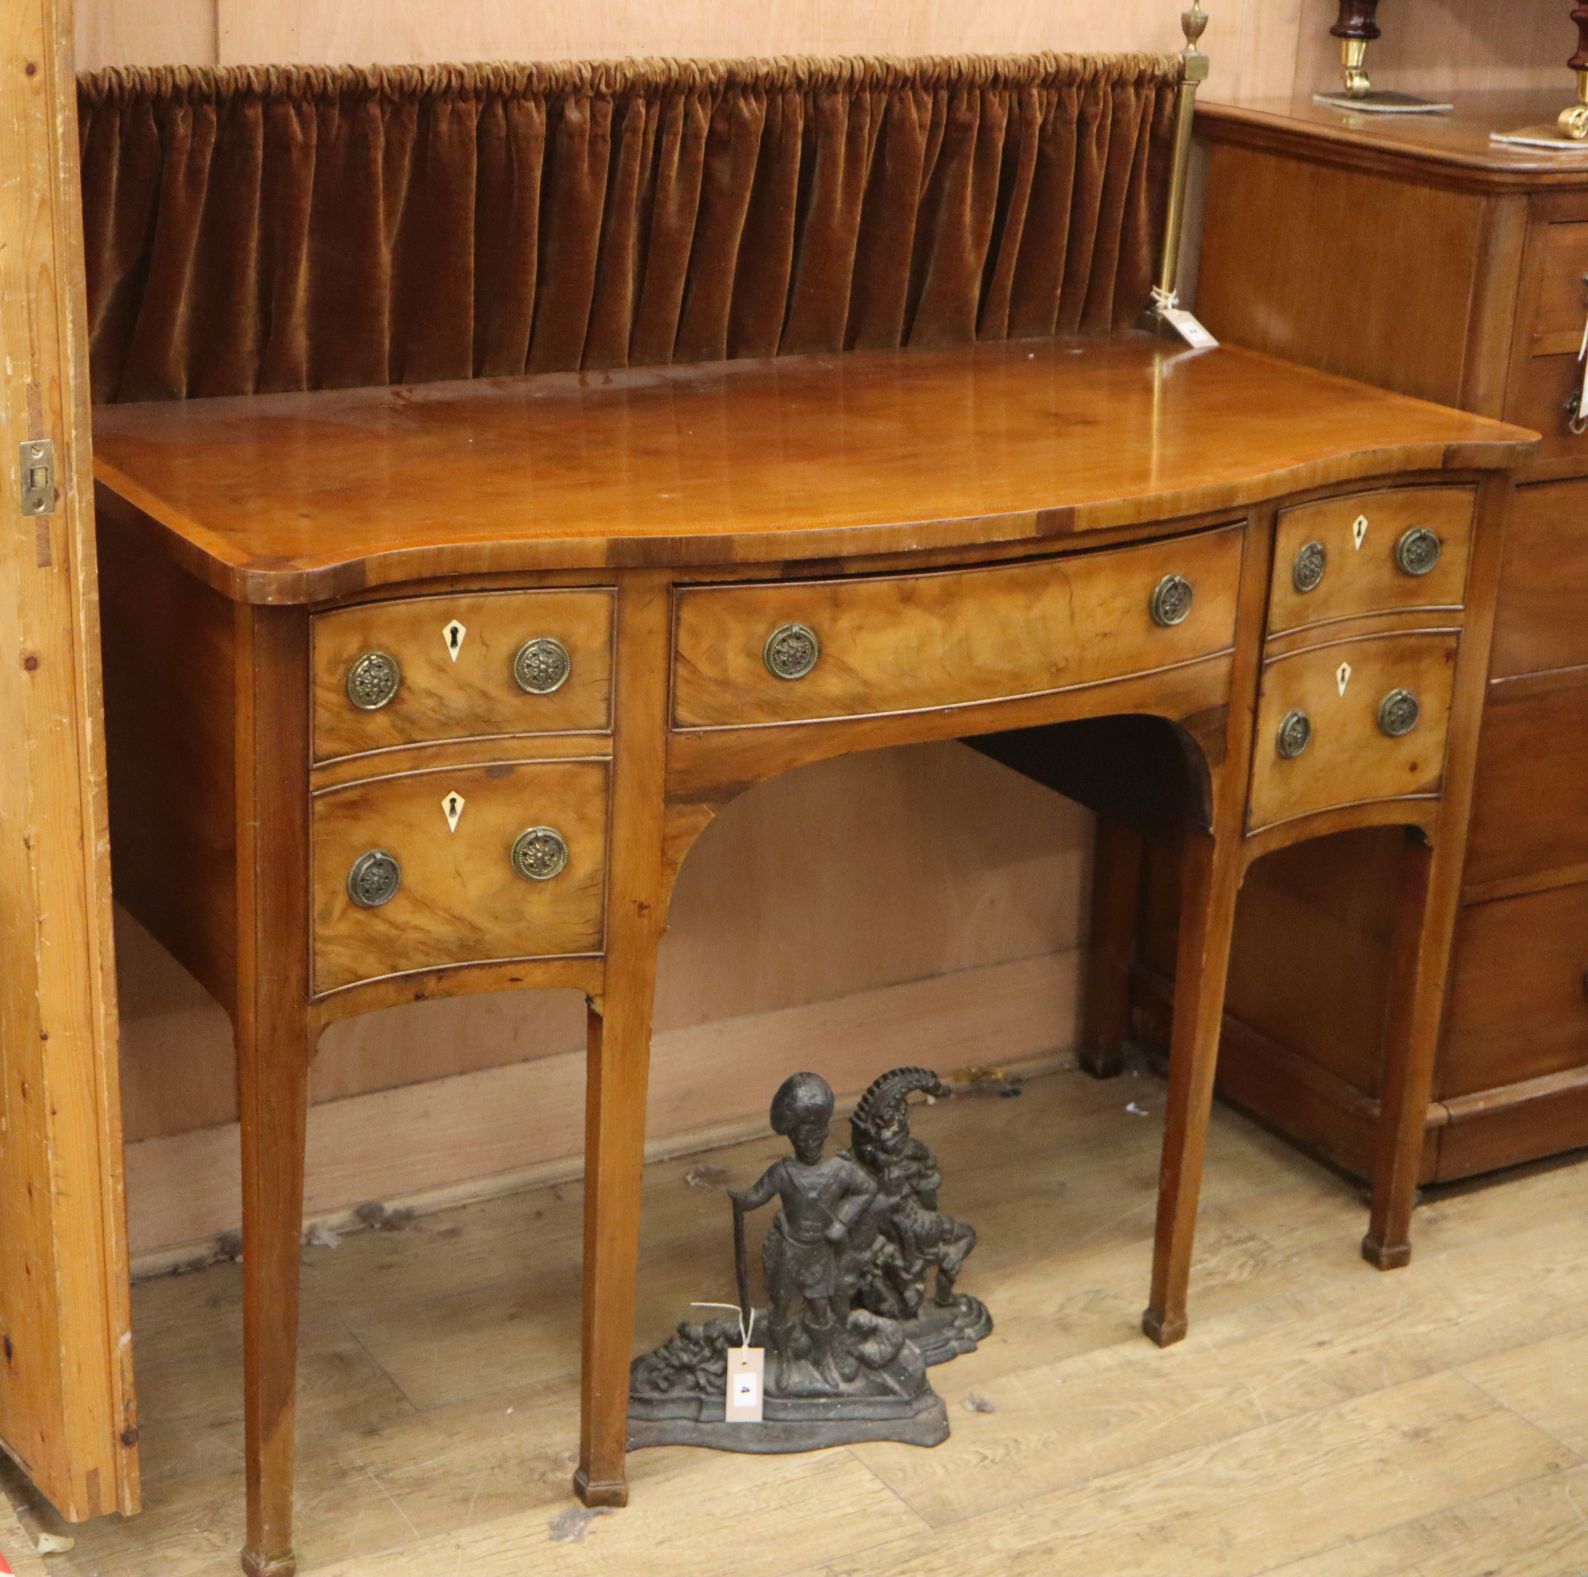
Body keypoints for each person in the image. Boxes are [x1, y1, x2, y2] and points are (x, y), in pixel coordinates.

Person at [730, 1072, 878, 1387]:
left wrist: (841, 1222)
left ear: (825, 1135)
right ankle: (783, 1360)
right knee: (782, 1308)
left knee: (820, 1309)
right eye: (802, 1138)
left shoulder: (839, 1171)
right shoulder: (783, 1172)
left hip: (820, 1253)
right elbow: (756, 1196)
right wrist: (739, 1200)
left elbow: (867, 1189)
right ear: (792, 1138)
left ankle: (822, 1358)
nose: (809, 1144)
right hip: (789, 1250)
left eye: (816, 1137)